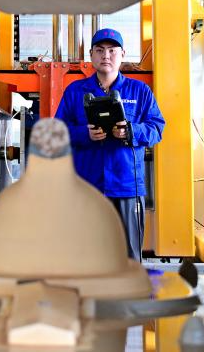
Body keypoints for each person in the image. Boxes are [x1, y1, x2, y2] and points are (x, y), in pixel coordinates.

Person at [54, 28, 165, 260]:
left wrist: (130, 131)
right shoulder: (75, 91)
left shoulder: (140, 91)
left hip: (127, 188)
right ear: (91, 55)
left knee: (128, 258)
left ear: (122, 54)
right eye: (100, 50)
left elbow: (157, 128)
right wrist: (84, 134)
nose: (106, 55)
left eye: (112, 50)